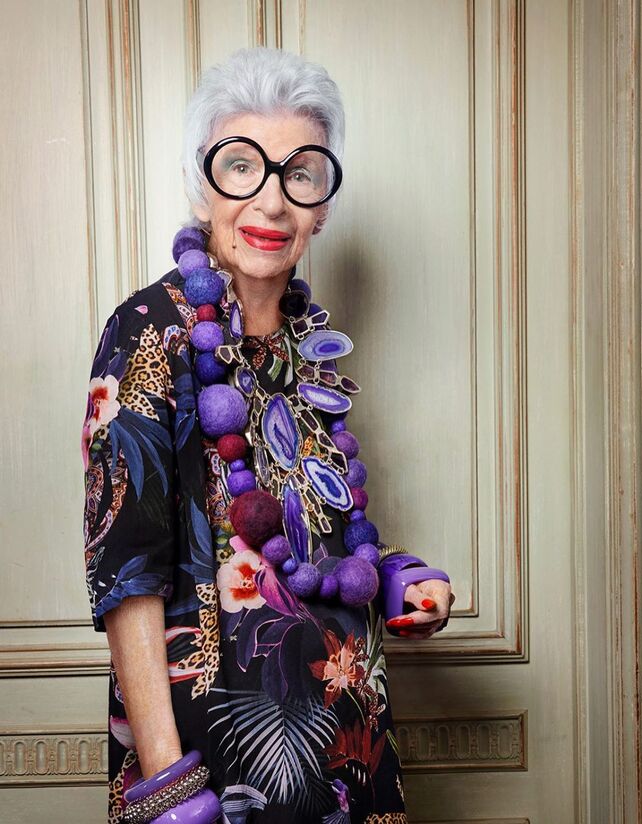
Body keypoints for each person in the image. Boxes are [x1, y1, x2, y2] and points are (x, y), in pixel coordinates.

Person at [81, 45, 455, 824]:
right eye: (242, 167)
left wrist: (395, 575)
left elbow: (310, 534)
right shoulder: (150, 330)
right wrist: (168, 787)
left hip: (346, 750)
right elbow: (126, 577)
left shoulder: (303, 344)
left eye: (300, 174)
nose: (272, 202)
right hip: (219, 763)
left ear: (323, 206)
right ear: (203, 183)